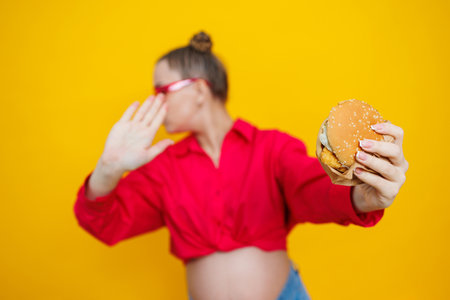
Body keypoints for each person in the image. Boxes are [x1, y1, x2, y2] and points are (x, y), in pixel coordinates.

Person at [73, 31, 409, 300]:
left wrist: (363, 197)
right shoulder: (162, 167)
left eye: (162, 90)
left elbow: (314, 190)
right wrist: (108, 168)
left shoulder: (272, 148)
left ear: (200, 90)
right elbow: (107, 223)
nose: (154, 102)